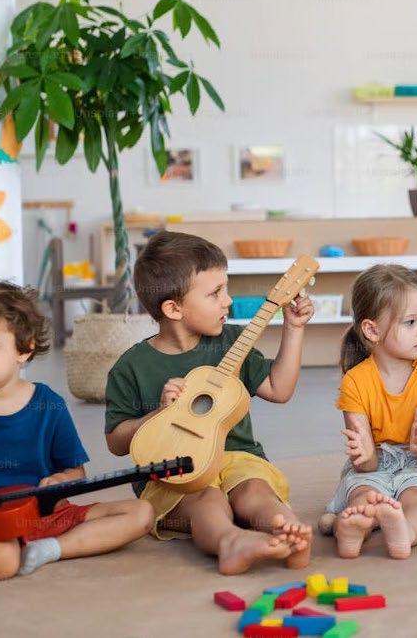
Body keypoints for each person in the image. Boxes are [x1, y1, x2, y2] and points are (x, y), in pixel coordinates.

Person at [105, 231, 314, 574]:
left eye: (225, 288)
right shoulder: (131, 366)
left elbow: (279, 389)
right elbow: (116, 442)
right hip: (173, 472)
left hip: (238, 457)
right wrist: (159, 413)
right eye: (215, 293)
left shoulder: (233, 341)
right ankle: (230, 541)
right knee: (208, 500)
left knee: (254, 491)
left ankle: (286, 529)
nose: (228, 301)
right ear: (173, 308)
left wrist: (294, 329)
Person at [0, 281, 152, 580]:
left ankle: (49, 549)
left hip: (45, 514)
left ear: (24, 348)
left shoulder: (49, 405)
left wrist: (60, 480)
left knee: (141, 513)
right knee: (0, 561)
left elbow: (75, 471)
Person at [320, 265, 417, 559]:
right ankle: (351, 529)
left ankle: (406, 532)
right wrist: (364, 456)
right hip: (377, 468)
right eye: (410, 322)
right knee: (363, 496)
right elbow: (367, 466)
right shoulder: (355, 381)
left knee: (415, 500)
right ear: (372, 330)